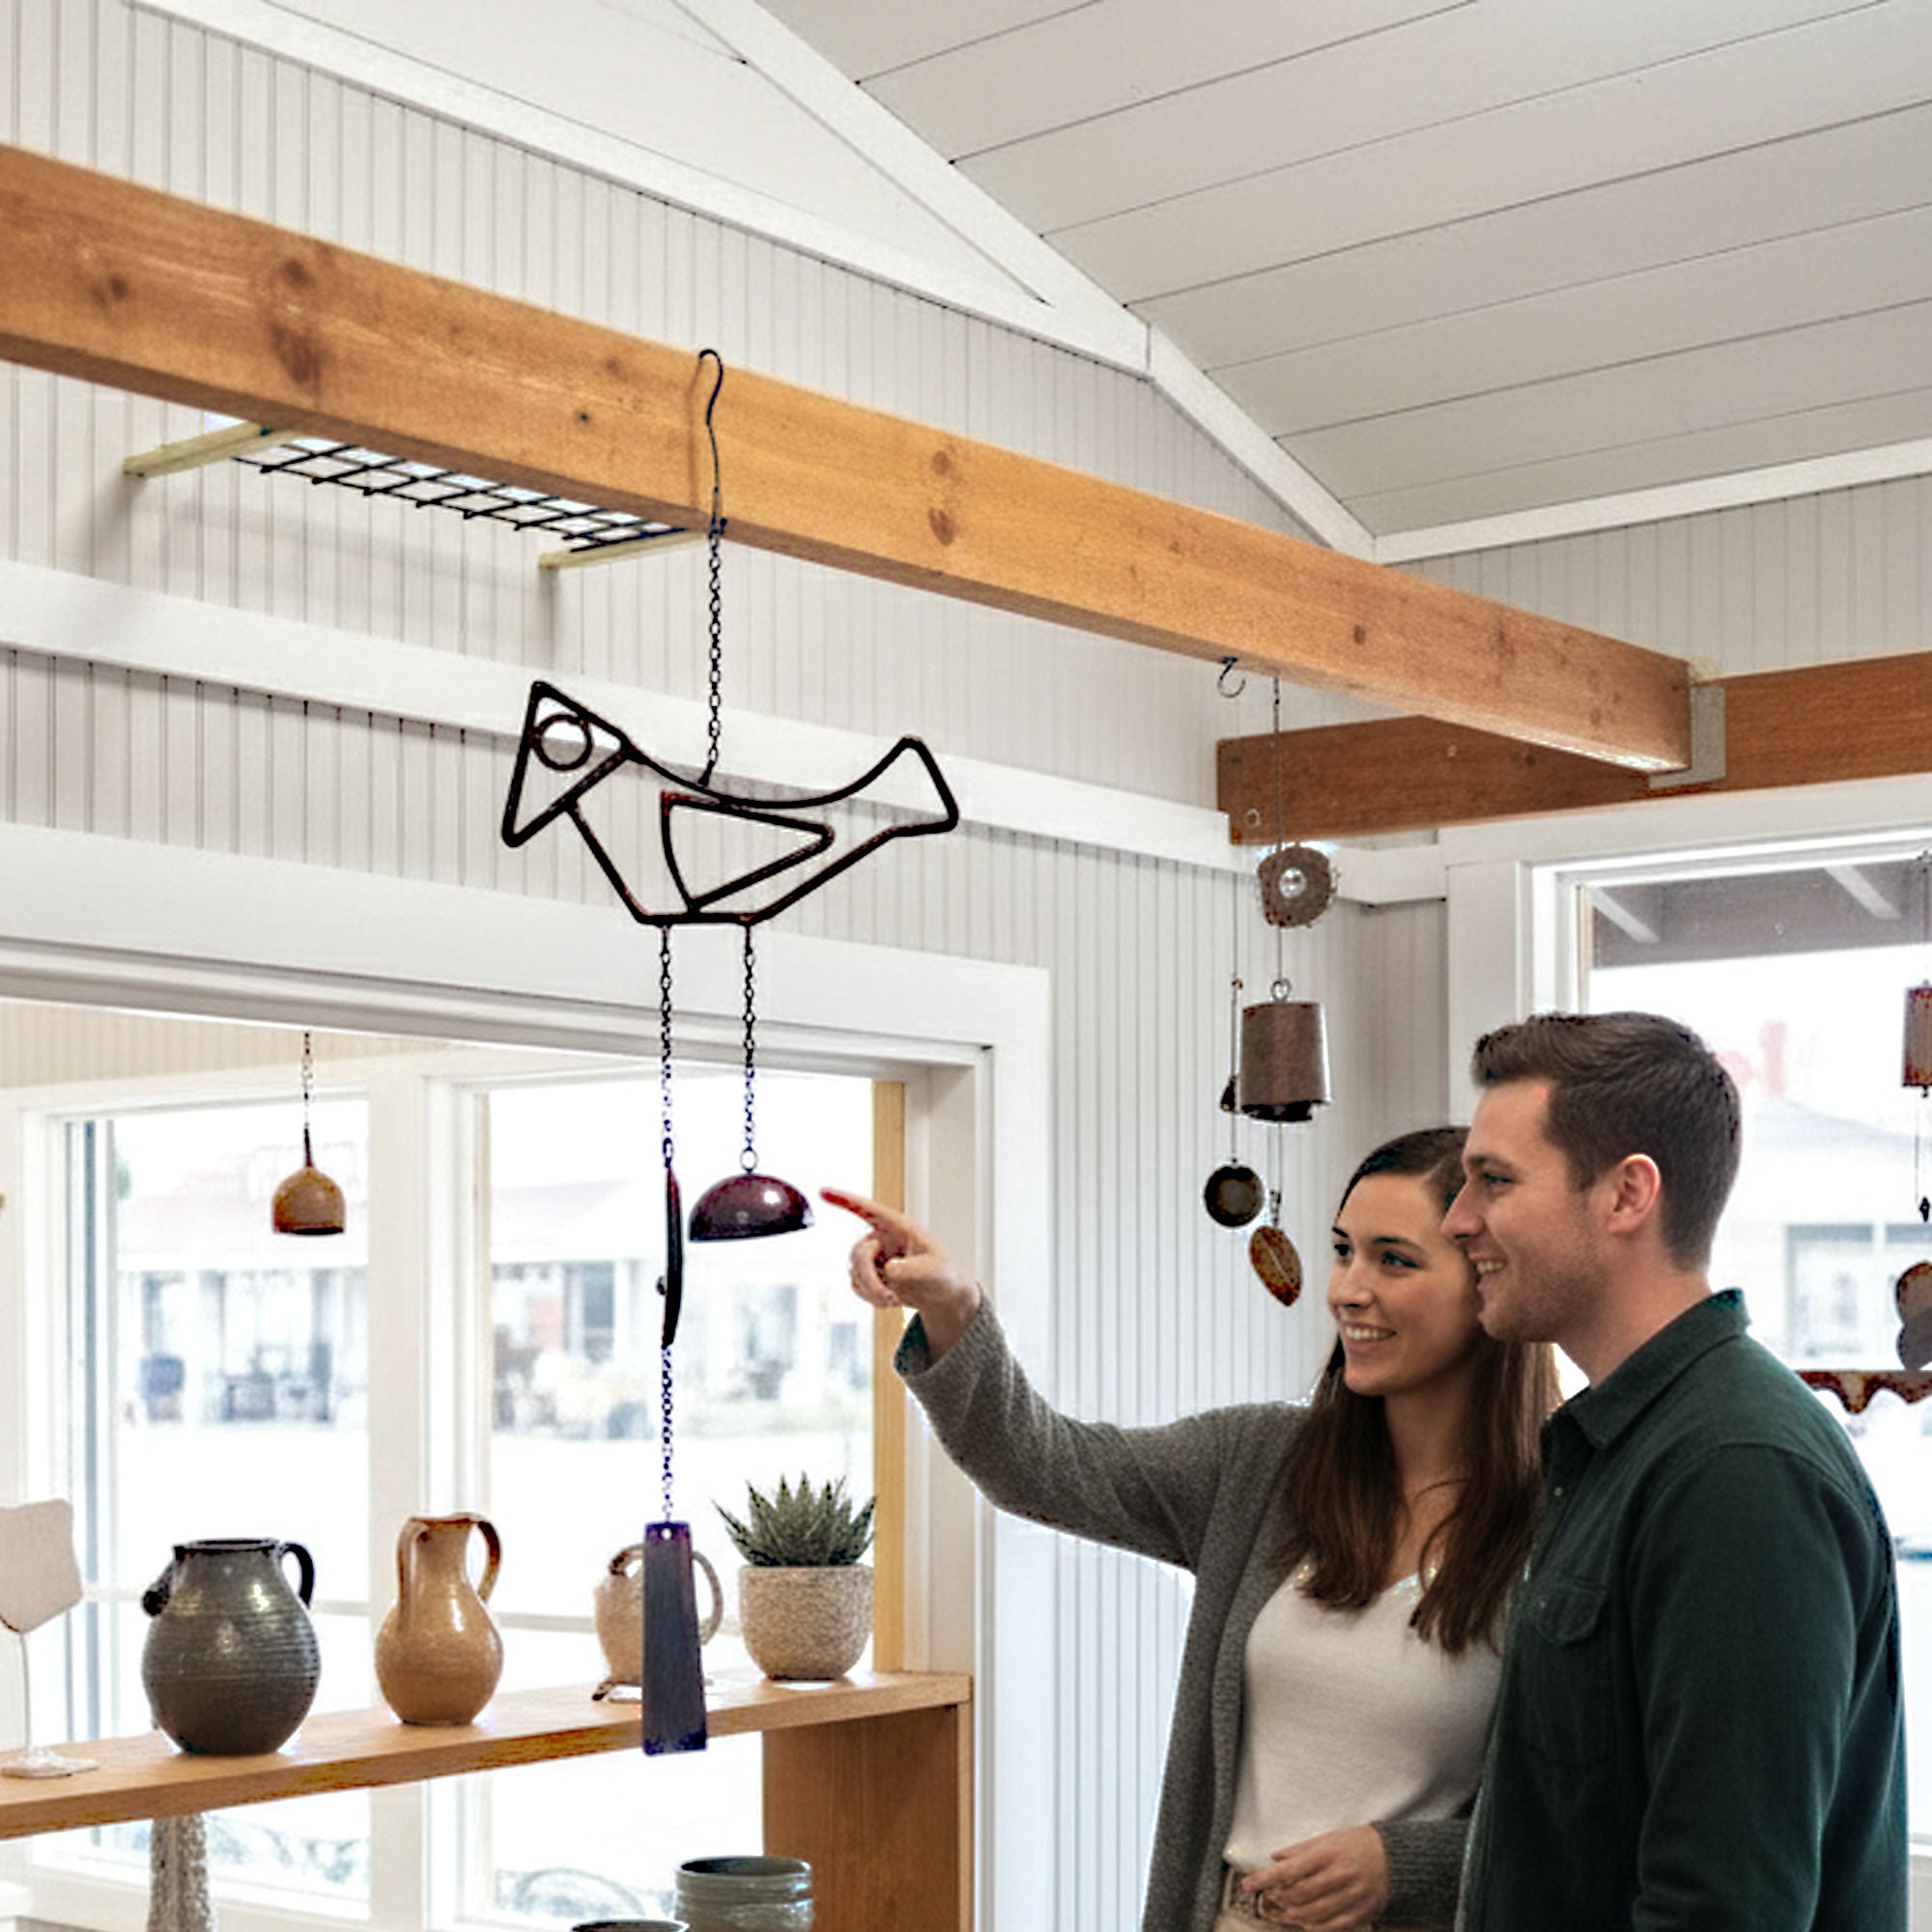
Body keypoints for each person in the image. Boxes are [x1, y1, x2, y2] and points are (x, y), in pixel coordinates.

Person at [827, 1126, 1560, 1932]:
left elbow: (1586, 1819)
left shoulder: (1567, 1520)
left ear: (1487, 1280)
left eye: (1394, 1259)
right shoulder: (1261, 1463)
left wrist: (1406, 1865)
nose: (1348, 1289)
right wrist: (953, 1305)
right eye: (1344, 1250)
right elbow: (1039, 1465)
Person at [1442, 1011, 1909, 1931]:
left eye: (1493, 1181)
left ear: (1626, 1196)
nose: (1461, 1220)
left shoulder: (1736, 1473)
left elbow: (1723, 1906)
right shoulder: (1625, 1446)